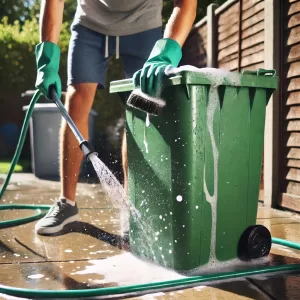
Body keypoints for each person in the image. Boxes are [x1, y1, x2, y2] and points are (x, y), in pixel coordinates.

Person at [34, 0, 197, 236]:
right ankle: (66, 203)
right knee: (77, 99)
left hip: (143, 23)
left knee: (140, 105)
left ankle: (131, 209)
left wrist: (168, 51)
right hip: (91, 22)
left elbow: (186, 4)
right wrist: (47, 58)